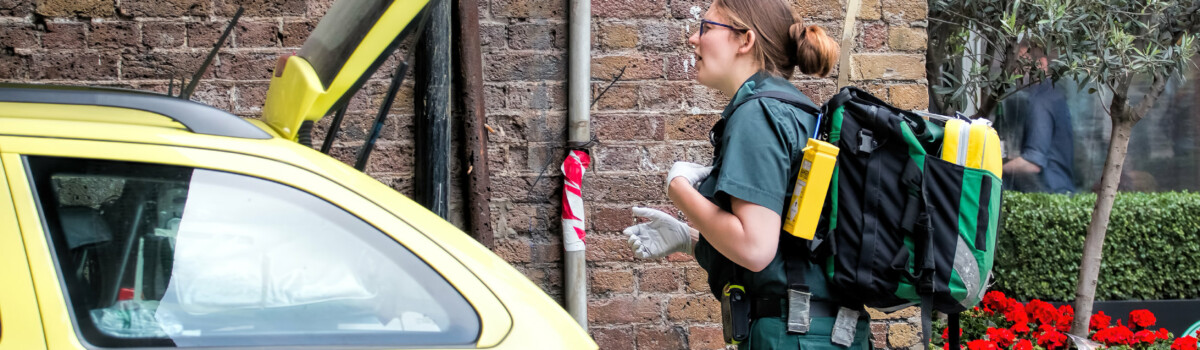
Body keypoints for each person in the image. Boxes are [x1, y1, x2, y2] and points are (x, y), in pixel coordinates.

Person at [622, 0, 869, 348]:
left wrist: (679, 190)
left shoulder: (758, 115)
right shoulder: (798, 111)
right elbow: (792, 247)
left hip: (793, 337)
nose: (693, 38)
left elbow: (755, 248)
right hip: (824, 333)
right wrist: (690, 239)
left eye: (706, 28)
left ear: (745, 40)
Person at [1002, 44, 1076, 193]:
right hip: (1059, 190)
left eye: (1020, 64)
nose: (1014, 71)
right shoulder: (1052, 94)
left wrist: (993, 170)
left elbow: (1032, 163)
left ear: (1041, 64)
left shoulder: (1041, 100)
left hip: (1050, 194)